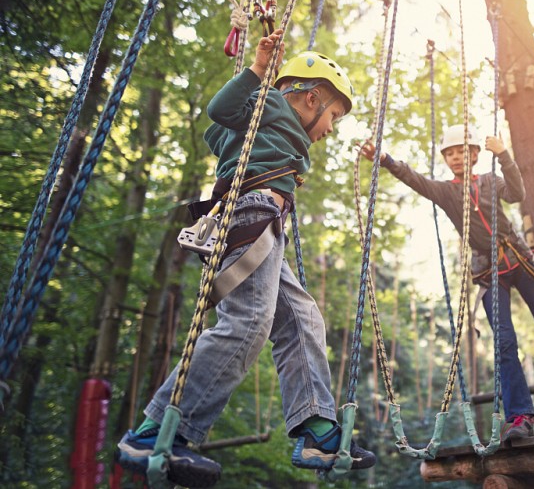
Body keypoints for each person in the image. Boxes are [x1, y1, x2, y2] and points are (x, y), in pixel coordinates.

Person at [116, 29, 376, 488]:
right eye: (333, 115)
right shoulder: (270, 105)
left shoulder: (267, 125)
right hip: (250, 212)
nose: (331, 128)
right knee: (247, 324)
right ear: (311, 99)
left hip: (263, 223)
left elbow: (217, 134)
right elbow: (219, 114)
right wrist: (256, 72)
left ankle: (317, 428)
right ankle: (154, 433)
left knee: (301, 319)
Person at [360, 125, 534, 442]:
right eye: (451, 154)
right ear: (447, 159)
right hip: (489, 271)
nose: (457, 158)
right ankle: (520, 417)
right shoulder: (445, 192)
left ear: (474, 154)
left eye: (462, 152)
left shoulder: (490, 181)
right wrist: (386, 159)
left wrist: (503, 155)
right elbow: (414, 179)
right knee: (504, 343)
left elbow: (517, 194)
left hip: (520, 260)